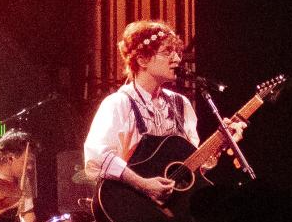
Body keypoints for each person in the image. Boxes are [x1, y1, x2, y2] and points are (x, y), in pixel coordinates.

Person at [82, 20, 241, 209]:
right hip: (133, 208)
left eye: (177, 52)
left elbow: (190, 168)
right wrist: (143, 185)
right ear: (142, 59)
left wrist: (218, 146)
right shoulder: (118, 104)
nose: (176, 59)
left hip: (174, 209)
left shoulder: (181, 105)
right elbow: (97, 157)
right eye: (167, 52)